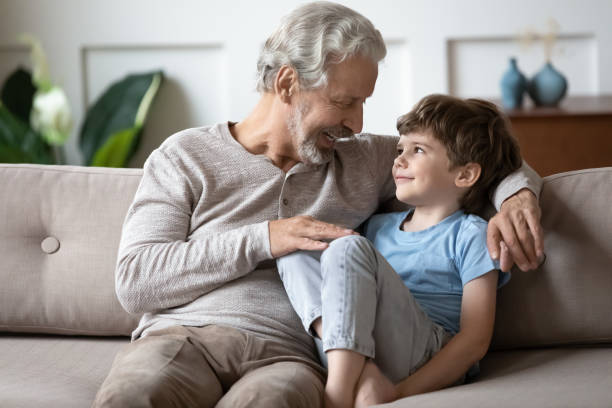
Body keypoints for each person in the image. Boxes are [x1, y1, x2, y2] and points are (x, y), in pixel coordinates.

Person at [93, 2, 544, 407]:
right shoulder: (185, 156)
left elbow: (476, 159)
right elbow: (136, 282)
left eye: (363, 103)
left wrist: (517, 197)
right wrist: (266, 239)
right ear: (288, 83)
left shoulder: (364, 159)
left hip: (290, 357)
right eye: (344, 102)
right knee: (134, 395)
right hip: (183, 338)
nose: (357, 122)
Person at [278, 94, 525, 408]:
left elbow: (474, 341)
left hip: (427, 352)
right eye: (399, 150)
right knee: (295, 250)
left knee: (348, 247)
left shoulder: (470, 234)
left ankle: (337, 394)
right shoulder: (378, 226)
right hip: (367, 346)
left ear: (464, 174)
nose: (399, 160)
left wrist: (401, 393)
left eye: (418, 150)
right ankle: (361, 370)